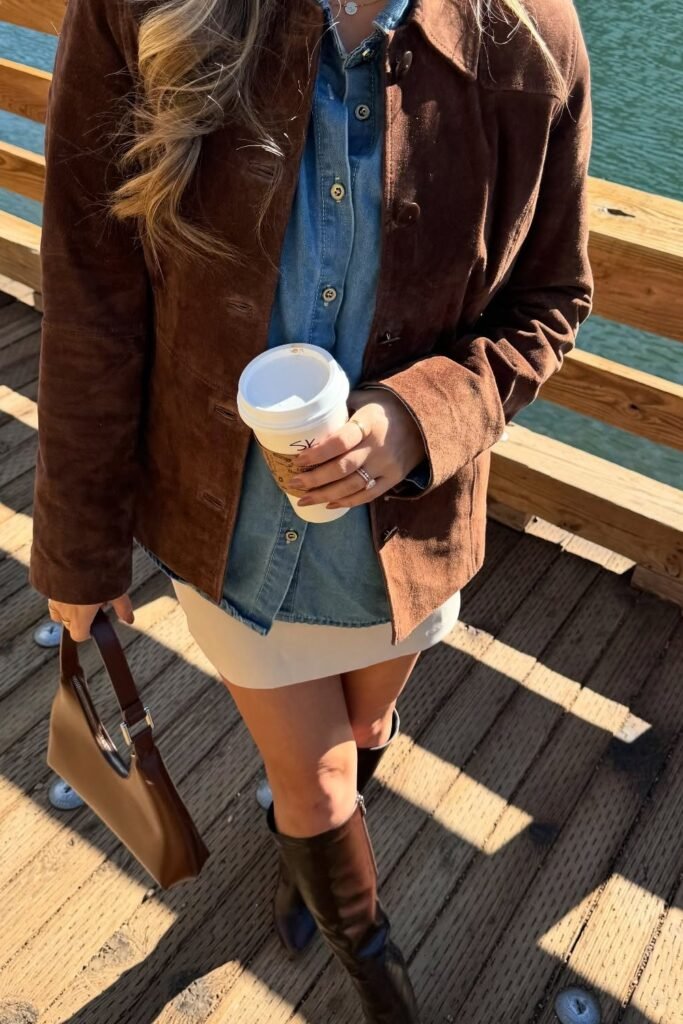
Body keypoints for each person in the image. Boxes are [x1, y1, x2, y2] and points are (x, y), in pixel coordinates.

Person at [29, 0, 593, 1018]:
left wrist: (419, 417)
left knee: (365, 722)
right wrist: (77, 544)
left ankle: (311, 864)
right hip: (227, 525)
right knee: (320, 781)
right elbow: (90, 287)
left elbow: (551, 297)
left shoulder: (532, 39)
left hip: (410, 529)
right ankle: (378, 978)